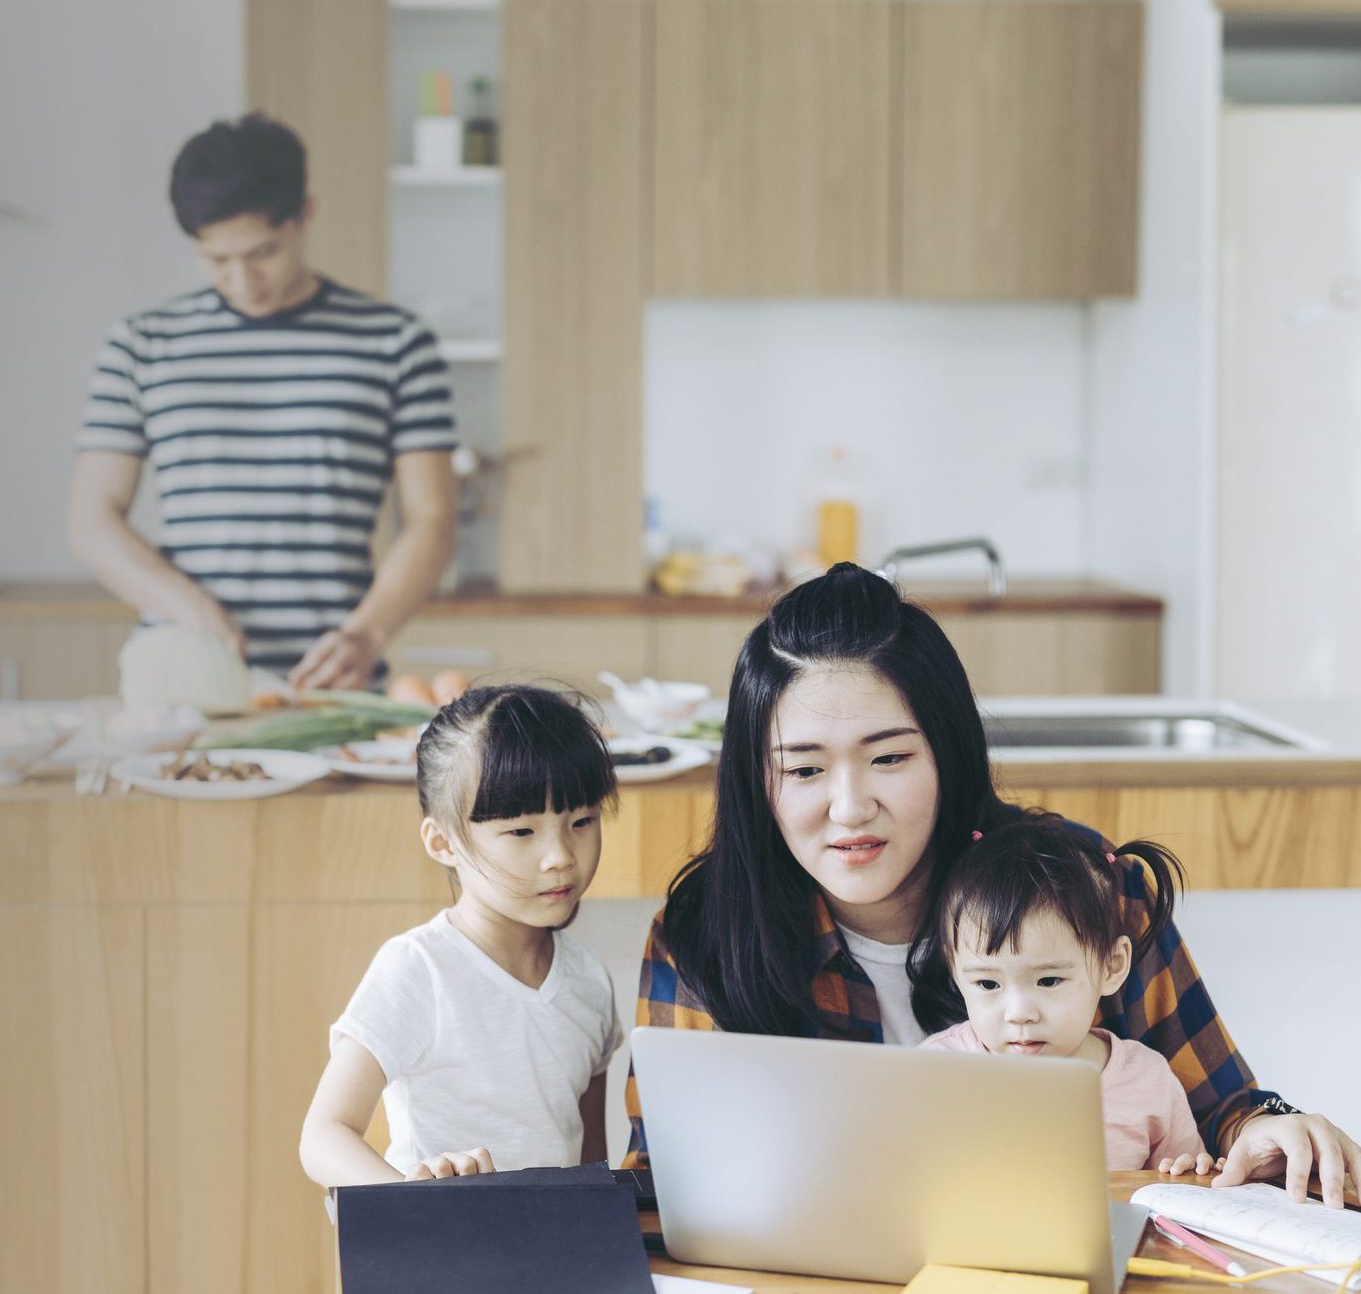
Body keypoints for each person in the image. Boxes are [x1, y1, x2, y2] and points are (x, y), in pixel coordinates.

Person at [626, 563, 1361, 1208]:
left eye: (888, 759)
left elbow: (1223, 1107)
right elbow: (664, 1180)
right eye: (805, 769)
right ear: (759, 782)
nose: (849, 808)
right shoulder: (705, 931)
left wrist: (1272, 1127)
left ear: (947, 754)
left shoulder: (1075, 885)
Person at [68, 112, 459, 689]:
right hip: (186, 682)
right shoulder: (143, 344)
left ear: (305, 214)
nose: (243, 280)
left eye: (262, 253)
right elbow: (91, 522)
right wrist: (186, 606)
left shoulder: (395, 341)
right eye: (217, 260)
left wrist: (367, 633)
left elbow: (433, 520)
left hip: (335, 691)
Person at [299, 686, 624, 1186]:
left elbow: (590, 1170)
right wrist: (417, 1202)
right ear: (442, 842)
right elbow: (324, 1135)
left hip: (550, 1251)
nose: (560, 854)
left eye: (581, 821)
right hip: (440, 1252)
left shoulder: (588, 980)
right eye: (522, 832)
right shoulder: (418, 969)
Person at [922, 816, 1221, 1174]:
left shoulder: (1148, 1082)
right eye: (988, 985)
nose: (1019, 1013)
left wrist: (1191, 1173)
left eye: (1048, 981)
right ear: (954, 968)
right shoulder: (933, 1072)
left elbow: (1183, 1195)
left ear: (1111, 966)